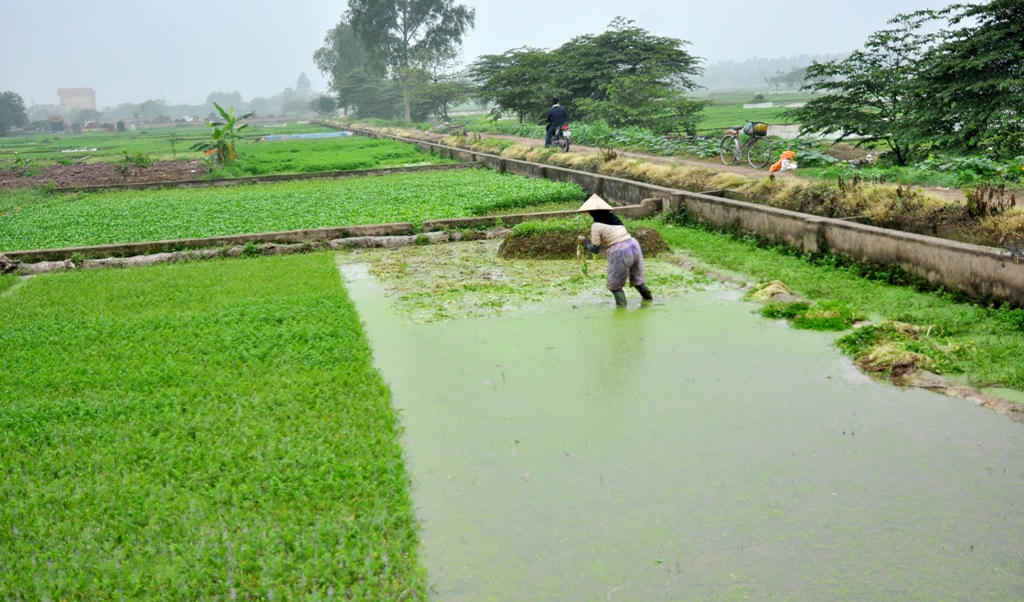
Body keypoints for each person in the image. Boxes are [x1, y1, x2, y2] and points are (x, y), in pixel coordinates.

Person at [575, 194, 653, 307]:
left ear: (591, 212)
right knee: (638, 280)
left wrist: (584, 241)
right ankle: (649, 300)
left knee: (615, 287)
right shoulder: (613, 218)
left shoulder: (596, 225)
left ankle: (621, 309)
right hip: (633, 244)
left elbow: (595, 249)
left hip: (620, 250)